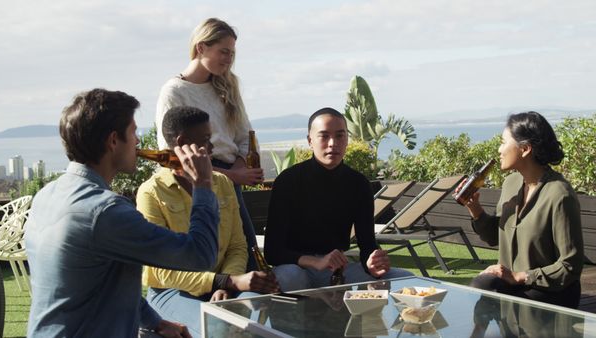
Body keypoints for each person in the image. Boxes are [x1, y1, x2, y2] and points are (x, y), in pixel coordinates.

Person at [24, 89, 219, 338]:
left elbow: (97, 282)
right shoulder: (105, 212)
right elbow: (200, 255)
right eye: (134, 132)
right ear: (113, 141)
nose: (138, 142)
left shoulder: (47, 196)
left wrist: (155, 322)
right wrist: (202, 183)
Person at [137, 106, 279, 338]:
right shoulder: (152, 192)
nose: (212, 147)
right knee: (221, 328)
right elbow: (155, 272)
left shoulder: (221, 183)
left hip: (226, 286)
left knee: (263, 322)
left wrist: (225, 285)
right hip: (174, 292)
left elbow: (237, 245)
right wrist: (225, 281)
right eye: (206, 140)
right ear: (183, 143)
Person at [264, 108, 413, 291]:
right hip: (296, 268)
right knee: (289, 277)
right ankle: (292, 320)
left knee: (405, 279)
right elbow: (272, 252)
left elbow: (366, 242)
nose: (332, 143)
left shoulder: (358, 184)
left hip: (338, 271)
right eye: (324, 136)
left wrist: (372, 262)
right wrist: (316, 262)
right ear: (310, 141)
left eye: (340, 136)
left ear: (347, 140)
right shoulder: (289, 181)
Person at [155, 18, 262, 271]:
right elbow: (172, 155)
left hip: (231, 178)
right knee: (208, 253)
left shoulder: (227, 85)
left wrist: (238, 171)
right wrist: (232, 175)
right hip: (194, 180)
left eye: (232, 54)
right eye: (223, 52)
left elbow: (244, 135)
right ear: (201, 47)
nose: (228, 59)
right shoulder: (174, 91)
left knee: (245, 252)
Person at [460, 111, 584, 309]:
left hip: (549, 291)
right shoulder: (511, 183)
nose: (499, 150)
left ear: (525, 149)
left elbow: (570, 266)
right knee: (480, 287)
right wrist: (474, 208)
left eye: (503, 142)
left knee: (488, 291)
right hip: (513, 285)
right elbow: (495, 237)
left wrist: (520, 276)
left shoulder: (560, 195)